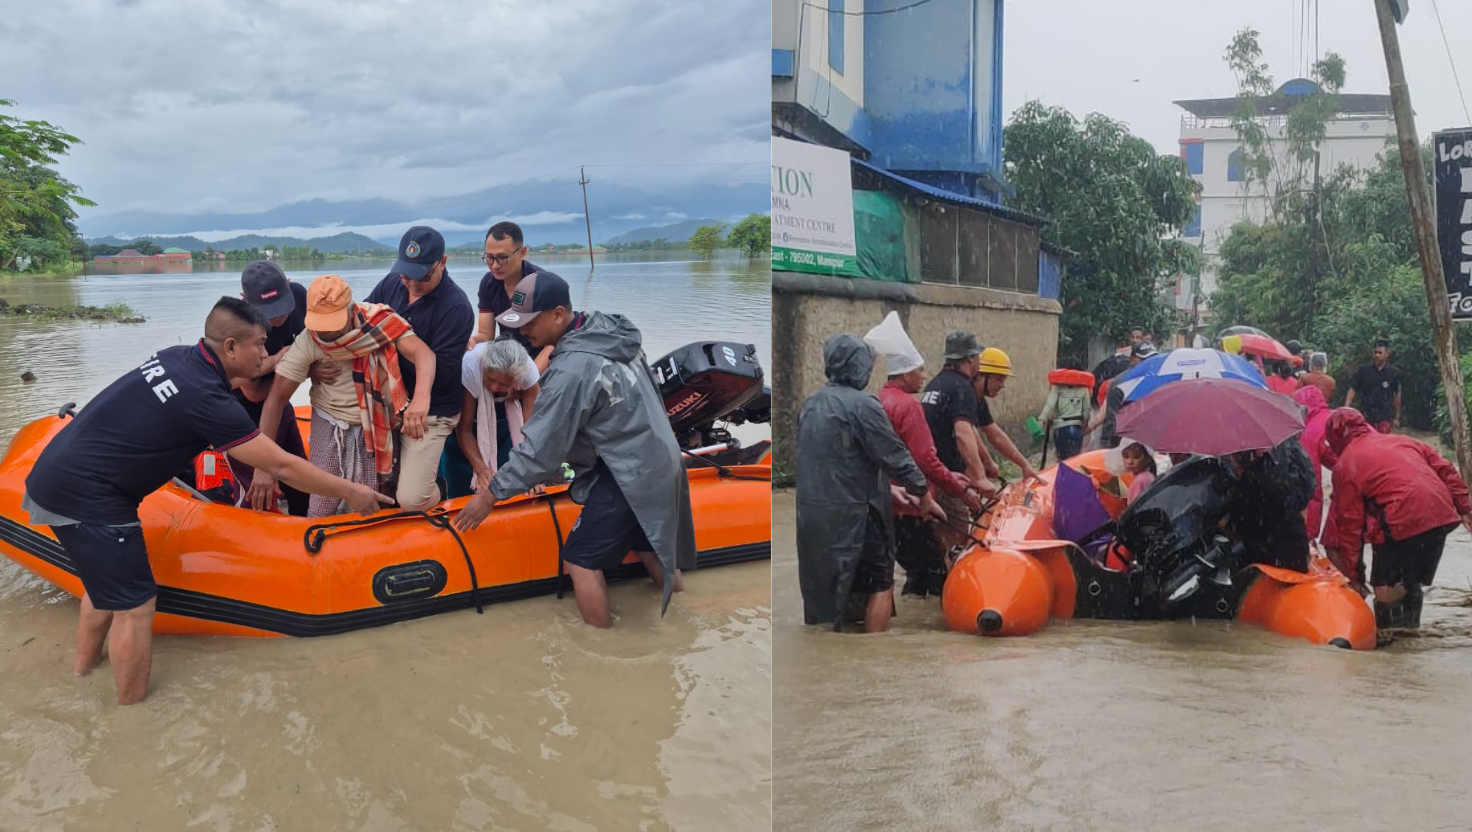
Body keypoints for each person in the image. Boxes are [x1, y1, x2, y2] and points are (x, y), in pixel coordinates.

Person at [20, 298, 390, 705]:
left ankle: (82, 673)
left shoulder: (178, 358)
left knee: (103, 586)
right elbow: (282, 465)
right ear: (230, 347)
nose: (265, 354)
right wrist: (351, 490)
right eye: (260, 345)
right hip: (90, 498)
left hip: (54, 476)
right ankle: (130, 714)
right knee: (136, 607)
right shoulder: (207, 401)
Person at [451, 271, 694, 627]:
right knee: (648, 544)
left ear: (558, 315)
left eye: (530, 323)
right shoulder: (609, 331)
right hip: (661, 456)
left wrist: (491, 496)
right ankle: (686, 620)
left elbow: (541, 448)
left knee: (580, 558)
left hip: (626, 472)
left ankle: (599, 652)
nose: (522, 332)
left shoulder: (572, 370)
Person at [250, 275, 438, 517]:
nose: (325, 332)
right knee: (322, 505)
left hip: (376, 423)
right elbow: (275, 401)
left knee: (375, 500)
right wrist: (263, 466)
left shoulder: (379, 322)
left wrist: (421, 400)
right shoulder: (309, 340)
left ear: (349, 310)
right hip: (329, 423)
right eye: (319, 323)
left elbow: (424, 355)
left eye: (332, 323)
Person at [792, 333, 929, 632]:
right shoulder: (864, 405)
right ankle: (872, 653)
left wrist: (889, 489)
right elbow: (896, 456)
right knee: (881, 582)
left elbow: (833, 462)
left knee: (827, 590)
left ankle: (832, 653)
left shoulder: (810, 404)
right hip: (854, 517)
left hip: (811, 516)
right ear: (859, 368)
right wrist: (923, 493)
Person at [865, 314, 982, 598]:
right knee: (935, 576)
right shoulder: (907, 406)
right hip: (911, 505)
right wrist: (959, 488)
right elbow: (925, 459)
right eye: (919, 371)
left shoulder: (878, 401)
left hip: (882, 502)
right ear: (905, 374)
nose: (924, 376)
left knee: (912, 572)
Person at [1322, 408, 1472, 629]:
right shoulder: (1403, 441)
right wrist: (1465, 508)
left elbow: (1350, 527)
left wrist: (1354, 576)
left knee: (1384, 589)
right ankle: (1411, 638)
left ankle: (1390, 648)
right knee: (1411, 581)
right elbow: (1446, 470)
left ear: (1334, 438)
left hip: (1399, 519)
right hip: (1441, 516)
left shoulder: (1345, 465)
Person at [363, 226, 475, 511]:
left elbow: (446, 373)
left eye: (422, 277)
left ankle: (440, 488)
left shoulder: (456, 307)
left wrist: (399, 342)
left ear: (443, 262)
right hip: (388, 401)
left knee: (412, 500)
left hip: (432, 408)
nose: (412, 284)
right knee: (374, 483)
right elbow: (363, 318)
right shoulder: (391, 284)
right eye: (405, 275)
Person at [228, 260, 311, 515]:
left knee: (300, 480)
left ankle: (301, 533)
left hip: (281, 403)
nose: (278, 316)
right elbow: (244, 386)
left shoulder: (299, 295)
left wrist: (297, 364)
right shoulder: (236, 323)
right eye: (268, 311)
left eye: (281, 307)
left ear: (288, 285)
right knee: (257, 490)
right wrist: (280, 361)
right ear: (245, 300)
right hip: (242, 415)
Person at [920, 332, 997, 554]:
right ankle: (950, 582)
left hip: (928, 474)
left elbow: (971, 431)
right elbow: (963, 433)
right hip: (946, 476)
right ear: (971, 359)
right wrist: (980, 478)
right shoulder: (962, 388)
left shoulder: (936, 384)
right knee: (958, 538)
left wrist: (986, 462)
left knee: (934, 539)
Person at [448, 337, 542, 499]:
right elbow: (464, 429)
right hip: (466, 428)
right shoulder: (471, 365)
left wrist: (532, 473)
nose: (494, 387)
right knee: (462, 481)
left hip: (505, 422)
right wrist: (481, 469)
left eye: (504, 384)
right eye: (490, 379)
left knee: (511, 475)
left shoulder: (529, 372)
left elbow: (532, 430)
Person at [468, 221, 554, 373]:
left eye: (502, 258)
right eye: (489, 258)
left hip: (541, 360)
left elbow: (553, 342)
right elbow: (486, 334)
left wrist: (530, 377)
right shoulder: (488, 283)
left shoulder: (540, 283)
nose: (495, 266)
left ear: (522, 253)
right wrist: (472, 341)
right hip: (509, 357)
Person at [1222, 438, 1316, 572]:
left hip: (1269, 561)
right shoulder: (1278, 465)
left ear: (1238, 459)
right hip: (1298, 553)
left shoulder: (1248, 484)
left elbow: (1236, 528)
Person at [970, 347, 1040, 482]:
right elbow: (969, 434)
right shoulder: (964, 398)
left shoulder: (979, 402)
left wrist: (1024, 464)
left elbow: (996, 435)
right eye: (999, 379)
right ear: (982, 375)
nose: (1002, 386)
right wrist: (987, 462)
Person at [1085, 341, 1157, 449]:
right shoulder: (1120, 384)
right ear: (1133, 360)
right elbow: (1111, 418)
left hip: (1148, 442)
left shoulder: (1157, 382)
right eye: (1143, 359)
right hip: (1121, 444)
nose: (1148, 363)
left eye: (1151, 359)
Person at [1293, 385, 1338, 544]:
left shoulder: (1310, 432)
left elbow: (1311, 486)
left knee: (1336, 543)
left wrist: (1308, 534)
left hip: (1358, 471)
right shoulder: (1331, 416)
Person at [1038, 359, 1092, 461]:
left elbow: (1049, 405)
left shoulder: (1057, 387)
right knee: (1074, 461)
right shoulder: (1084, 389)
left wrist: (1042, 419)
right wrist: (1085, 427)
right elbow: (1086, 412)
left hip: (1060, 429)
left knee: (1062, 459)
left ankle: (1062, 475)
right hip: (1076, 429)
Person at [1344, 339, 1402, 433]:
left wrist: (1397, 417)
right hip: (1366, 415)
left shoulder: (1394, 373)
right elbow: (1352, 389)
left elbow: (1397, 395)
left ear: (1387, 354)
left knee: (1382, 443)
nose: (1377, 355)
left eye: (1380, 352)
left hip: (1385, 417)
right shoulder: (1363, 370)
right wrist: (1346, 408)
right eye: (1375, 352)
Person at [1108, 439, 1157, 504]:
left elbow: (1135, 507)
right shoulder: (1148, 476)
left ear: (1147, 459)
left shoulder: (1140, 481)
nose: (1130, 461)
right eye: (1126, 456)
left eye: (1136, 457)